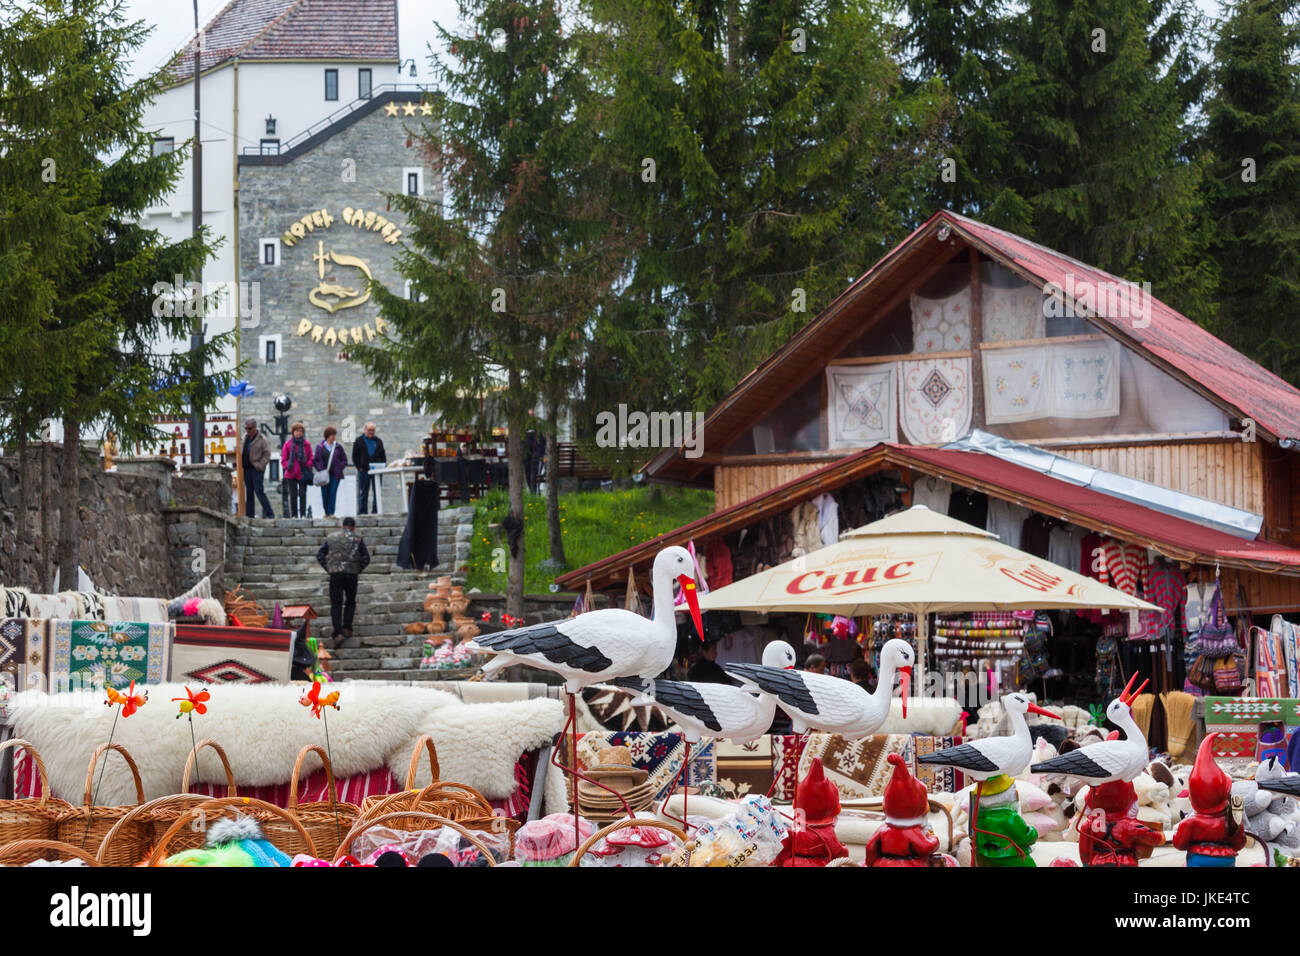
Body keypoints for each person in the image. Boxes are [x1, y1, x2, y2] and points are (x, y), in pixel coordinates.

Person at [317, 516, 371, 640]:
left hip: (336, 574)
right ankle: (347, 628)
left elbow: (320, 554)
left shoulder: (331, 537)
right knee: (350, 602)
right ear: (353, 528)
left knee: (336, 604)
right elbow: (366, 558)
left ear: (342, 526)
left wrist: (328, 568)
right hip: (352, 574)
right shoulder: (358, 538)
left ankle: (338, 633)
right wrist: (358, 569)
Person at [352, 421, 387, 515]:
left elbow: (383, 455)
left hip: (377, 470)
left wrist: (383, 466)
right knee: (364, 491)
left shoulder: (378, 441)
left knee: (377, 492)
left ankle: (376, 511)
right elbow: (354, 456)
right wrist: (359, 467)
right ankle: (363, 511)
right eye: (369, 430)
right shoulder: (358, 441)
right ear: (365, 430)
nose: (371, 432)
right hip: (364, 470)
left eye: (373, 430)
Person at [241, 418, 274, 518]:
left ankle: (270, 514)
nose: (247, 430)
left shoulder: (262, 439)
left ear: (255, 428)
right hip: (246, 469)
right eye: (246, 428)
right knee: (249, 493)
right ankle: (250, 515)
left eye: (249, 428)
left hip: (256, 470)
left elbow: (267, 454)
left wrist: (260, 465)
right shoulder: (244, 438)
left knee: (259, 492)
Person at [314, 426, 347, 518]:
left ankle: (331, 512)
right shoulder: (320, 447)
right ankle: (326, 512)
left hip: (335, 474)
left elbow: (344, 460)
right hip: (324, 474)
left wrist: (339, 467)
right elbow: (315, 460)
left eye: (334, 435)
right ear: (327, 436)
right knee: (325, 493)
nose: (333, 437)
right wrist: (320, 468)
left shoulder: (338, 447)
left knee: (333, 492)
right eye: (332, 435)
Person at [280, 421, 312, 518]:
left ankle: (303, 514)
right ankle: (294, 515)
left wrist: (308, 465)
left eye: (300, 431)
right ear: (293, 432)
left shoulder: (306, 444)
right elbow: (283, 459)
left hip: (303, 473)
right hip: (291, 473)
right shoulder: (288, 444)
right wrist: (287, 466)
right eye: (296, 431)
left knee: (303, 494)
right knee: (293, 495)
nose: (298, 433)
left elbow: (311, 457)